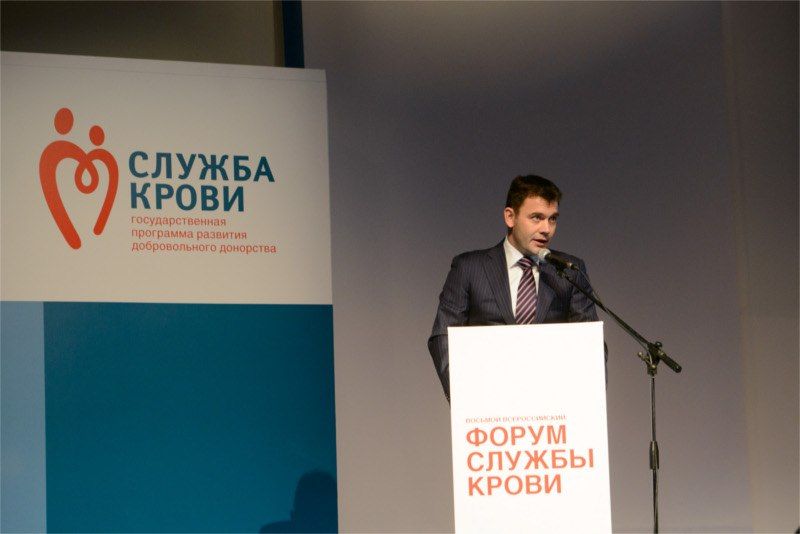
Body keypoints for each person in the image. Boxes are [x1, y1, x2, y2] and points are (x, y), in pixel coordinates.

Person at [427, 175, 600, 401]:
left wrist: (587, 401)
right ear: (510, 217)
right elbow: (443, 337)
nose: (546, 229)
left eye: (553, 219)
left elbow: (590, 344)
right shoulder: (469, 268)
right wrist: (464, 399)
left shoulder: (569, 271)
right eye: (536, 218)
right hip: (486, 403)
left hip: (552, 405)